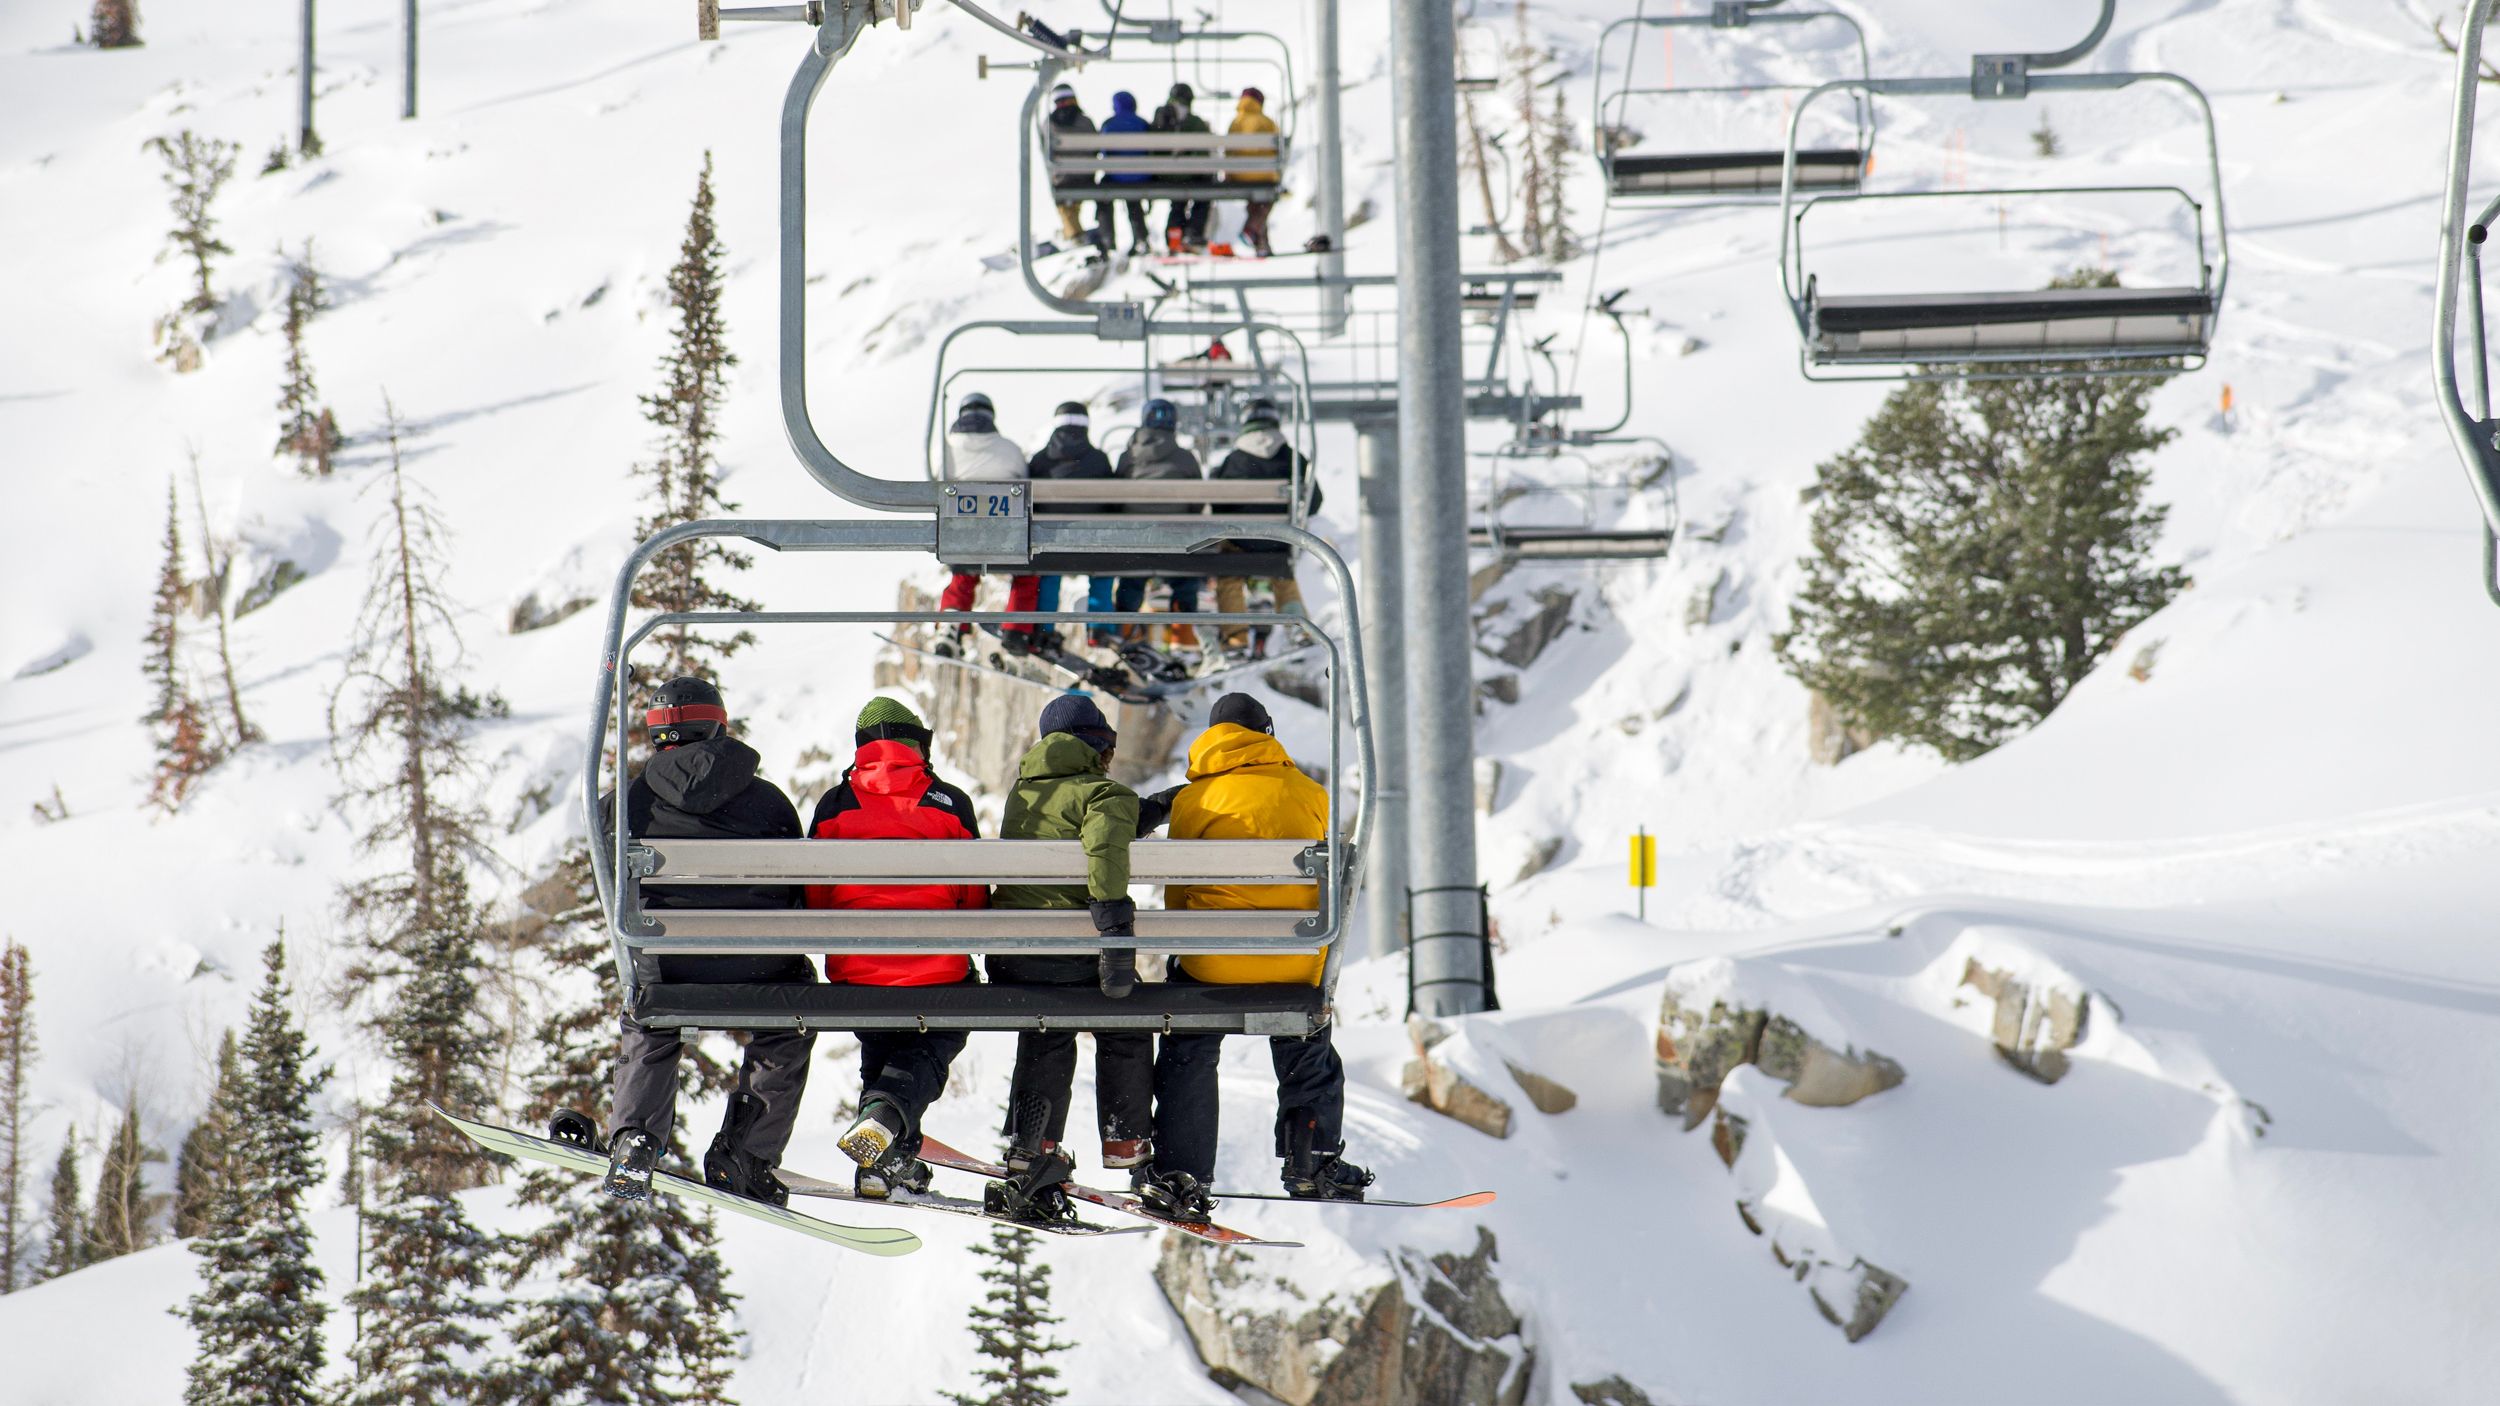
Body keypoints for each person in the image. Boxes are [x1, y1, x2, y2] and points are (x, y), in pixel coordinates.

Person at [1137, 693, 1373, 1217]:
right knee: (1306, 1039)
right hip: (1293, 961)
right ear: (1267, 734)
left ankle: (1182, 1172)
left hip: (1212, 963)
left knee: (1189, 1048)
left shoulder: (1195, 800)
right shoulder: (1312, 793)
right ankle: (1311, 1161)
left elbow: (1178, 895)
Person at [602, 677, 816, 1207]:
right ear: (718, 725)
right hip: (761, 970)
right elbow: (797, 888)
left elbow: (609, 893)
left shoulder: (622, 806)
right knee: (789, 1019)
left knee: (650, 1011)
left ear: (656, 734)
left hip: (670, 969)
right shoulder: (769, 802)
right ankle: (747, 1152)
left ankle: (635, 1138)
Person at [984, 693, 1170, 1221]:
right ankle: (1125, 1141)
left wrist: (1143, 809)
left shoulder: (1024, 793)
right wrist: (1115, 929)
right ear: (1099, 746)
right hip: (1073, 959)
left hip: (1015, 958)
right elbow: (1104, 844)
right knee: (1126, 1023)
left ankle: (1033, 1145)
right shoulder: (1104, 793)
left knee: (1049, 1029)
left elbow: (1081, 817)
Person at [809, 698, 986, 1198]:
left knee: (883, 1049)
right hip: (938, 971)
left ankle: (883, 1161)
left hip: (858, 970)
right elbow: (974, 898)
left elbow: (815, 897)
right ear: (918, 744)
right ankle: (886, 1117)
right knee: (931, 1043)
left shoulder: (834, 805)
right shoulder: (949, 803)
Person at [1210, 398, 1320, 658]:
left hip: (1241, 541)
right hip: (1279, 541)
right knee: (1283, 572)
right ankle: (1298, 628)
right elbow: (1315, 501)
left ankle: (1235, 639)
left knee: (1229, 576)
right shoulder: (1293, 458)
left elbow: (1218, 505)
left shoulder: (1233, 460)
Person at [937, 391, 1044, 654]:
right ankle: (1017, 627)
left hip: (961, 534)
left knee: (963, 573)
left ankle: (952, 619)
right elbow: (1025, 484)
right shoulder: (1009, 449)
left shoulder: (945, 450)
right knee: (1026, 575)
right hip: (1006, 534)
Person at [1025, 401, 1122, 649]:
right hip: (1092, 542)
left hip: (1050, 542)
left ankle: (1044, 629)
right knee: (1102, 573)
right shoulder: (1099, 460)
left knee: (1049, 575)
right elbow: (1112, 501)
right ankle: (1099, 629)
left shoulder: (1041, 460)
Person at [1114, 397, 1206, 652]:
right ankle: (1183, 637)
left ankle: (1126, 631)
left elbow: (1115, 500)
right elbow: (1198, 503)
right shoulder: (1186, 459)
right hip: (1175, 542)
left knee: (1132, 579)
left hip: (1135, 541)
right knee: (1185, 581)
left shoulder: (1128, 458)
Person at [1046, 84, 1111, 251]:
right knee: (1076, 191)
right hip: (1086, 176)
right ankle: (1076, 231)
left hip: (1064, 178)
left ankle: (1073, 234)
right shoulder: (1085, 121)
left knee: (1063, 198)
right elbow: (1096, 148)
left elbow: (1048, 152)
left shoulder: (1050, 124)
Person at [1154, 82, 1213, 252]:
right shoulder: (1194, 122)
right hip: (1188, 174)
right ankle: (1193, 233)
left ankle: (1174, 236)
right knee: (1204, 191)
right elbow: (1203, 155)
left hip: (1162, 174)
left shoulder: (1160, 117)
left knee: (1178, 201)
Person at [1099, 90, 1156, 255]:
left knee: (1103, 195)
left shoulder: (1109, 124)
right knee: (1133, 198)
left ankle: (1108, 240)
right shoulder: (1142, 123)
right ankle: (1141, 238)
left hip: (1116, 177)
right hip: (1141, 177)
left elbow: (1104, 152)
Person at [1227, 86, 1281, 257]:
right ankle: (1253, 231)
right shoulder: (1267, 122)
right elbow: (1278, 150)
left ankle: (1261, 243)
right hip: (1264, 175)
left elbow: (1228, 151)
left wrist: (1229, 174)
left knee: (1255, 204)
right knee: (1264, 201)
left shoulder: (1236, 123)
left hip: (1239, 175)